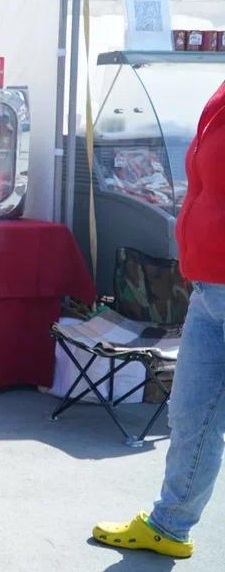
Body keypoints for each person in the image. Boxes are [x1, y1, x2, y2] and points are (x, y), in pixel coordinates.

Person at [93, 79, 225, 559]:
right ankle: (170, 526)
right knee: (192, 414)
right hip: (210, 289)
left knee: (198, 414)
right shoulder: (220, 94)